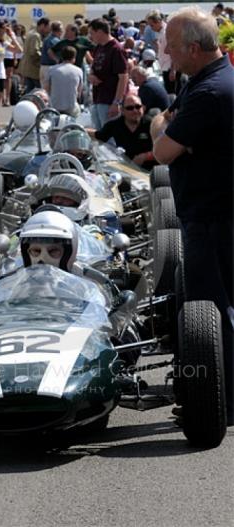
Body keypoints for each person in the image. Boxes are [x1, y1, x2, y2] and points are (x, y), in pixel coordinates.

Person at [151, 6, 234, 425]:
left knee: (212, 311)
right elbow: (168, 133)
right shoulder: (203, 81)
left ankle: (224, 398)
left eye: (171, 45)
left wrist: (167, 130)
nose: (166, 52)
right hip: (210, 213)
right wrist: (170, 129)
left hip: (213, 216)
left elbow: (162, 150)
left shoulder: (208, 92)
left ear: (195, 49)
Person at [87, 93, 157, 170]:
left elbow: (165, 149)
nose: (135, 110)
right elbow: (99, 135)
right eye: (130, 108)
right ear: (122, 111)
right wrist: (80, 129)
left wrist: (145, 156)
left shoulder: (152, 124)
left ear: (143, 108)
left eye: (138, 107)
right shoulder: (115, 125)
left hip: (153, 171)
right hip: (127, 169)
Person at [88, 18, 128, 129]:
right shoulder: (99, 47)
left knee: (110, 139)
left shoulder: (116, 49)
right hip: (98, 98)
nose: (90, 36)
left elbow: (123, 77)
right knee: (100, 136)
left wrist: (117, 102)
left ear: (100, 32)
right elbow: (93, 66)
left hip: (110, 100)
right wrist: (91, 76)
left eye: (92, 33)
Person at [44, 46, 83, 117]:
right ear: (74, 58)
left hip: (54, 106)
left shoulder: (51, 70)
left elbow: (46, 89)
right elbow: (79, 92)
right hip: (71, 107)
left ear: (61, 57)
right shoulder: (79, 71)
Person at [19, 17, 50, 93]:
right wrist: (43, 58)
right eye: (47, 27)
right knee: (40, 92)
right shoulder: (36, 36)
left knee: (30, 91)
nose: (48, 30)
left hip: (28, 69)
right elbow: (34, 52)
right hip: (34, 69)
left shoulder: (31, 33)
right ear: (42, 25)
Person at [39, 20, 63, 88]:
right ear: (60, 30)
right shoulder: (55, 40)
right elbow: (50, 52)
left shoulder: (47, 39)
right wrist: (58, 61)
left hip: (44, 67)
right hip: (50, 68)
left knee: (44, 91)